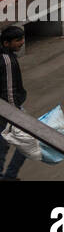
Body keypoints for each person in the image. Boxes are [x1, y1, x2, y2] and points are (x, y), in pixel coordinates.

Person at [0, 26, 28, 181]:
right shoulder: (7, 61)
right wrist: (15, 114)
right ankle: (9, 176)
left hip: (7, 109)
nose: (22, 42)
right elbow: (9, 90)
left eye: (22, 38)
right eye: (18, 40)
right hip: (7, 110)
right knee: (26, 141)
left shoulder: (6, 56)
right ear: (6, 43)